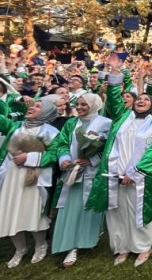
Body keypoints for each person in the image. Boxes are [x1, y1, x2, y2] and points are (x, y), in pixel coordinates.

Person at [86, 58, 152, 267]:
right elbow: (113, 99)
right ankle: (122, 247)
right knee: (117, 210)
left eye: (146, 100)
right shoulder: (122, 117)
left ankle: (142, 248)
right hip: (115, 174)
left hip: (140, 177)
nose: (140, 101)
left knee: (138, 211)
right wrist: (115, 73)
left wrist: (135, 173)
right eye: (138, 99)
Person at [37, 93, 111, 267]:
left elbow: (108, 148)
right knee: (70, 207)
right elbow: (62, 143)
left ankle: (82, 242)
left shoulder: (106, 124)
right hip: (71, 171)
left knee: (87, 207)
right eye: (77, 104)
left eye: (84, 104)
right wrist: (63, 159)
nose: (79, 107)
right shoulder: (71, 123)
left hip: (92, 172)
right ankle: (69, 243)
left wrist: (91, 160)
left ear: (94, 105)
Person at [0, 95, 60, 268]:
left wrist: (29, 157)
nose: (32, 108)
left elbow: (54, 153)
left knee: (33, 210)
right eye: (32, 105)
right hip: (12, 176)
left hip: (35, 177)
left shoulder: (51, 131)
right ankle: (20, 249)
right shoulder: (16, 126)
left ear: (46, 112)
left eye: (38, 107)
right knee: (10, 210)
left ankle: (41, 245)